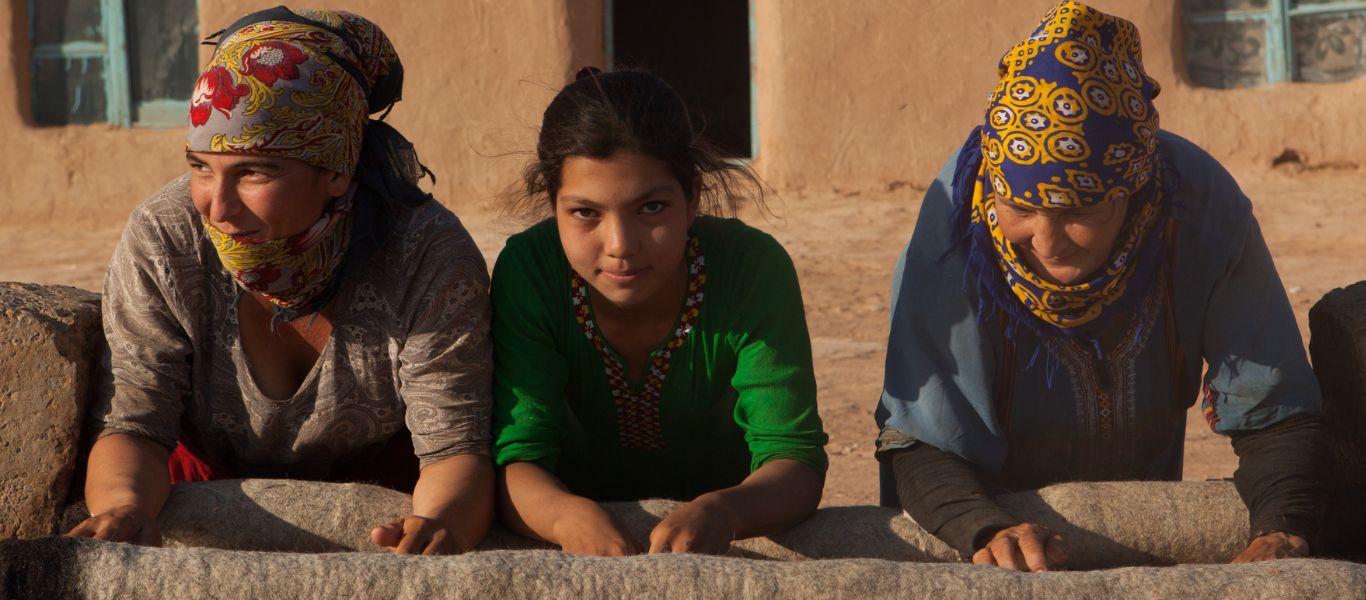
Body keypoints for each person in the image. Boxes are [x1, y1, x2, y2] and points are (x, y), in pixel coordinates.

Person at [875, 1, 1327, 572]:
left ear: (1131, 192)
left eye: (1077, 211)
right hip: (975, 540)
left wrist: (1282, 529)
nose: (1045, 241)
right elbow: (919, 436)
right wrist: (984, 528)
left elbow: (1276, 405)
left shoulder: (1200, 214)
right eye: (1020, 207)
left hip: (1133, 536)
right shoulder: (955, 230)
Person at [67, 7, 494, 555]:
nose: (216, 208)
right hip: (196, 493)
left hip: (381, 504)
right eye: (201, 167)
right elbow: (136, 421)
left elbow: (454, 448)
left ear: (337, 170)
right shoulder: (167, 237)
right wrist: (124, 509)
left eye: (254, 172)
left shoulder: (424, 253)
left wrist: (438, 526)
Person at [491, 69, 828, 556]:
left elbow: (793, 460)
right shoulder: (531, 272)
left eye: (651, 208)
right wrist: (565, 517)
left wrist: (724, 511)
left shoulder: (752, 269)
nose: (620, 246)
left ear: (692, 198)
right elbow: (515, 459)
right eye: (585, 213)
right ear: (553, 206)